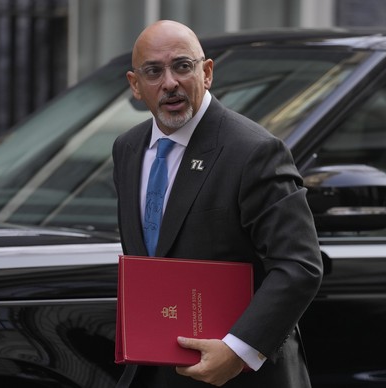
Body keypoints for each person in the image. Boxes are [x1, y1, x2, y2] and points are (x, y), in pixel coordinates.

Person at [112, 20, 323, 388]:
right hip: (156, 371)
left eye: (182, 66)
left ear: (206, 72)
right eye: (154, 71)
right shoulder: (128, 148)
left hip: (240, 376)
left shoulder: (254, 151)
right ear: (134, 85)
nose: (170, 82)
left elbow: (299, 265)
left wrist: (239, 351)